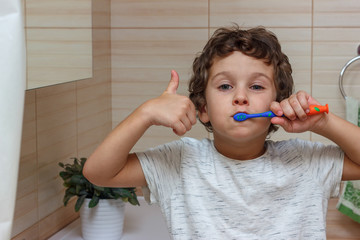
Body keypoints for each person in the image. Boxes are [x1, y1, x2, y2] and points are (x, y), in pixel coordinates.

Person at [83, 25, 360, 239]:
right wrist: (145, 114)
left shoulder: (304, 162)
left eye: (256, 86)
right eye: (225, 86)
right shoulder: (180, 162)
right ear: (202, 108)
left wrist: (323, 123)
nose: (240, 97)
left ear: (277, 108)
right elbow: (98, 172)